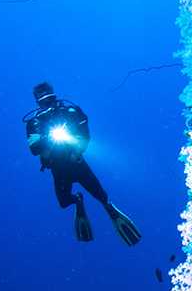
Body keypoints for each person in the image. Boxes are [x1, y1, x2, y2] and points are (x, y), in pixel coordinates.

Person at [24, 82, 141, 245]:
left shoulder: (70, 112)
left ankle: (109, 208)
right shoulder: (33, 124)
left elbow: (85, 134)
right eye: (44, 102)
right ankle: (78, 200)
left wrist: (76, 150)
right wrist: (48, 139)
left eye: (50, 100)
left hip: (76, 162)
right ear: (38, 103)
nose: (48, 104)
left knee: (101, 195)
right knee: (64, 203)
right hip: (58, 169)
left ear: (54, 97)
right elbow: (34, 149)